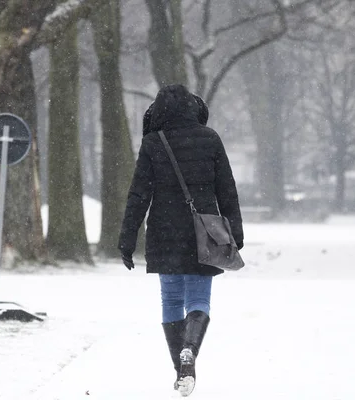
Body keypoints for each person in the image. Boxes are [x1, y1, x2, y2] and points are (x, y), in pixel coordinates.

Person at [118, 84, 243, 396]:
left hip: (164, 230)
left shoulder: (153, 142)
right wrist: (235, 234)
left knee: (171, 300)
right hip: (206, 231)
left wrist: (128, 238)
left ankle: (182, 368)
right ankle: (190, 350)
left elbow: (138, 194)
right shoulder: (210, 139)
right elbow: (226, 189)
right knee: (199, 299)